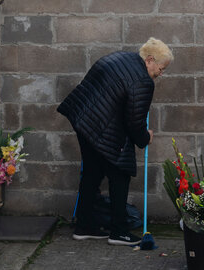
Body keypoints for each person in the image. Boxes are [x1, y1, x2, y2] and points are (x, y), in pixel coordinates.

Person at [57, 37, 173, 246]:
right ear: (149, 60)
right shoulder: (143, 81)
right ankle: (119, 231)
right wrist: (145, 137)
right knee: (121, 172)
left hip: (82, 118)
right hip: (101, 126)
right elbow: (135, 121)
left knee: (92, 172)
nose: (161, 74)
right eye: (161, 68)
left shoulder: (119, 57)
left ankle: (84, 226)